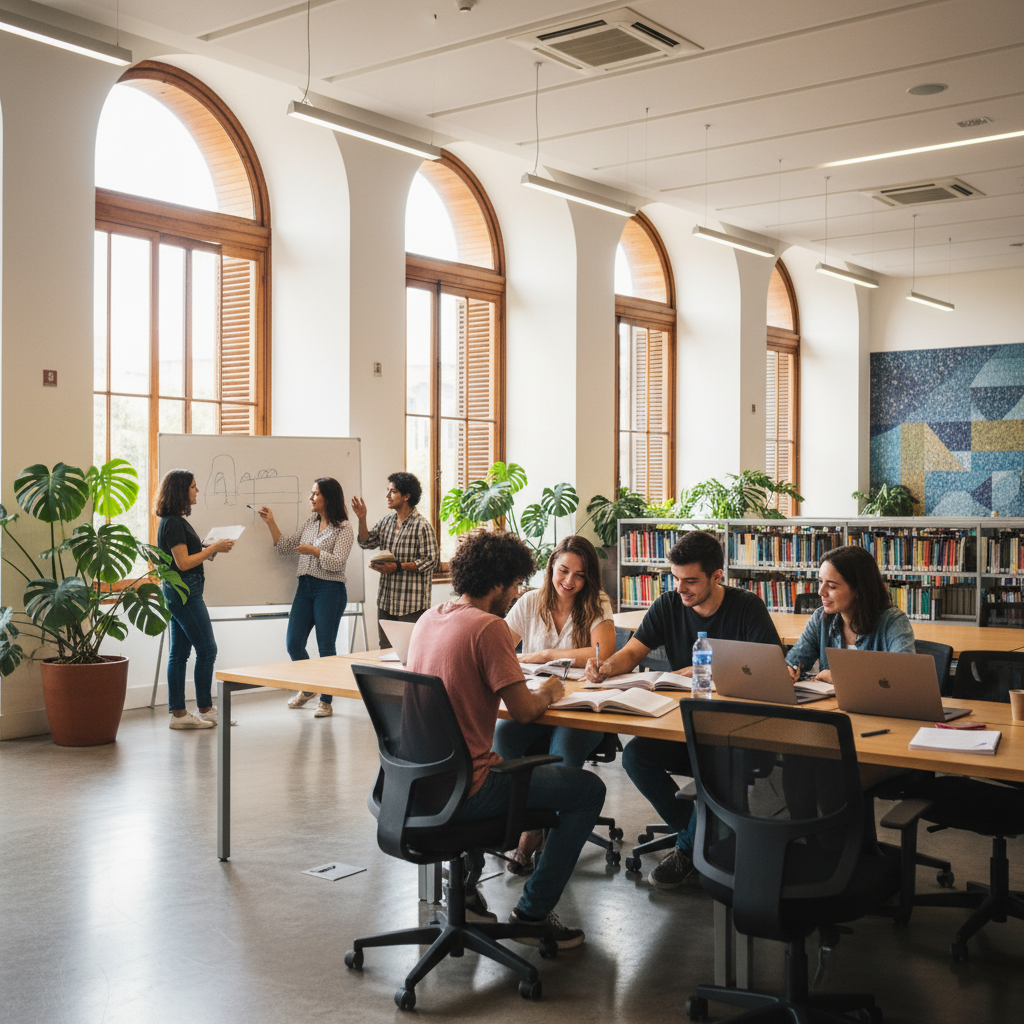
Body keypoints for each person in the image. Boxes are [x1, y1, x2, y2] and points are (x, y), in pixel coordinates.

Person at [407, 529, 605, 948]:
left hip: (419, 782)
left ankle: (467, 896)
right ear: (497, 583)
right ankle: (532, 915)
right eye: (515, 584)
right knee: (589, 790)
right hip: (471, 788)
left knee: (502, 746)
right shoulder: (489, 628)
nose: (517, 594)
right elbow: (526, 711)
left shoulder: (429, 618)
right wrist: (551, 690)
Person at [584, 529, 781, 889]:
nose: (679, 588)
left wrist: (714, 669)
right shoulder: (668, 605)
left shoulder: (747, 607)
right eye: (675, 578)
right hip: (684, 726)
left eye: (690, 581)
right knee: (635, 757)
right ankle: (703, 835)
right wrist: (608, 666)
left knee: (718, 762)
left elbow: (771, 670)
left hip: (735, 735)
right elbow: (633, 653)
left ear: (716, 577)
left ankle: (691, 848)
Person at [493, 535, 616, 874]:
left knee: (563, 755)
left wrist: (547, 654)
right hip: (535, 703)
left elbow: (602, 651)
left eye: (579, 575)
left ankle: (534, 830)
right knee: (502, 740)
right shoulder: (531, 602)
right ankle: (521, 819)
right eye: (563, 571)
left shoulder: (597, 602)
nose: (569, 582)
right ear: (550, 567)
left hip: (580, 710)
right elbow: (499, 645)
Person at [258, 478, 354, 719]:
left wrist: (314, 551)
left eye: (315, 494)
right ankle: (310, 686)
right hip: (305, 587)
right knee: (293, 643)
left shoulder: (344, 528)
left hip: (329, 589)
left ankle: (326, 700)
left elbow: (338, 562)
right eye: (311, 493)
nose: (311, 498)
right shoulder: (311, 521)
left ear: (328, 498)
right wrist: (271, 523)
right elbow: (284, 546)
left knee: (326, 647)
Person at [155, 469, 236, 730]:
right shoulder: (173, 523)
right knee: (207, 649)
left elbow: (188, 555)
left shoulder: (174, 521)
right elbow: (183, 562)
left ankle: (180, 714)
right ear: (181, 491)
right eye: (193, 486)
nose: (197, 491)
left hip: (182, 590)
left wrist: (209, 547)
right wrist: (212, 548)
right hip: (184, 592)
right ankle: (205, 709)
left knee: (179, 653)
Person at [785, 544, 916, 682]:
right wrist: (789, 671)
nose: (820, 592)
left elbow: (904, 677)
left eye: (831, 586)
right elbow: (794, 662)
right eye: (820, 582)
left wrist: (843, 678)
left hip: (876, 704)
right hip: (831, 704)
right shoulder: (820, 619)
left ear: (859, 591)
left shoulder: (893, 622)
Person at [352, 472, 439, 649]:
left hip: (411, 604)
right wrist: (362, 518)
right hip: (386, 601)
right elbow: (366, 542)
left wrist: (398, 567)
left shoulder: (422, 526)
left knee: (409, 652)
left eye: (392, 491)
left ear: (407, 496)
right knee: (385, 651)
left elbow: (430, 561)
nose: (387, 496)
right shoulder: (387, 521)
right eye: (388, 491)